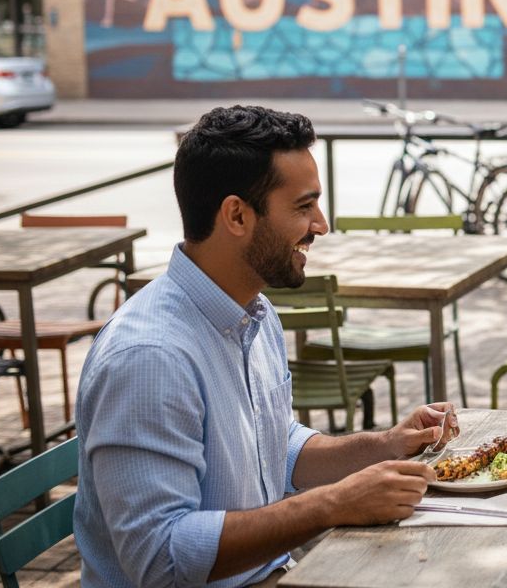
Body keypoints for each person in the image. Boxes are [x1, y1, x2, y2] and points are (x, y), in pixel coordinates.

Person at [74, 106, 458, 587]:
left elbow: (277, 448)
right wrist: (334, 503)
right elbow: (160, 560)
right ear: (237, 214)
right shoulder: (150, 357)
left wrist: (382, 446)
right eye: (303, 207)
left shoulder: (253, 313)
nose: (321, 225)